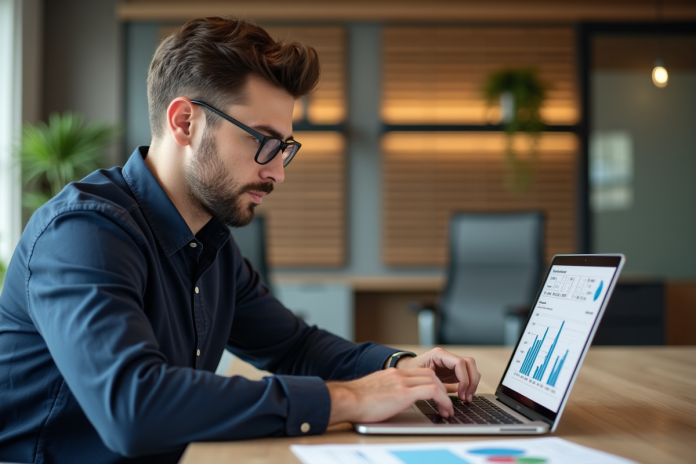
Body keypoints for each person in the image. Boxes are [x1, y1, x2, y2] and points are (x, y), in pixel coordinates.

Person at [0, 17, 480, 464]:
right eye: (262, 141)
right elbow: (134, 408)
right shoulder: (83, 232)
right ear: (185, 122)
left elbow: (293, 347)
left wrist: (402, 367)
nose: (276, 172)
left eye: (285, 149)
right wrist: (351, 397)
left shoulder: (209, 241)